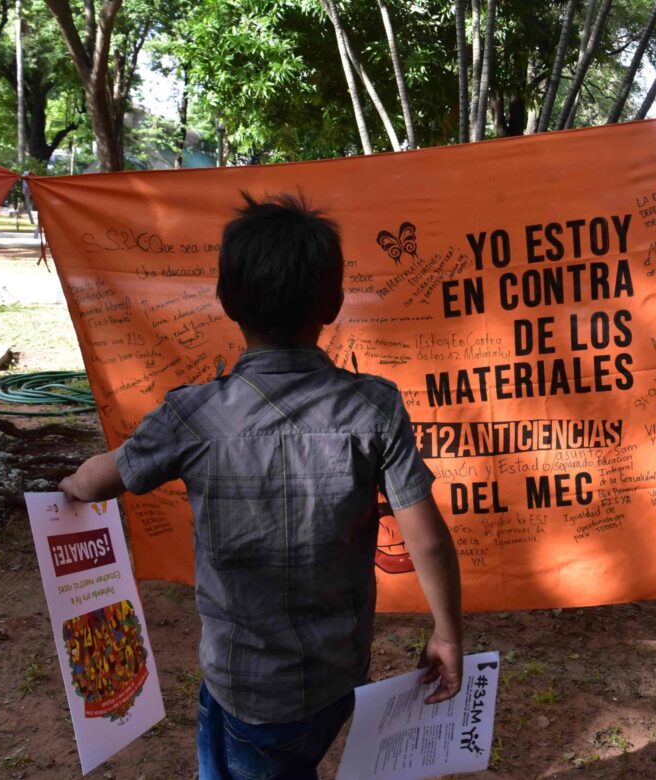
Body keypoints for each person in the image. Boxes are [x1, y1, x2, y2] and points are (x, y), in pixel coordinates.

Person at [59, 194, 464, 779]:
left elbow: (100, 480)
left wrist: (72, 484)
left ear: (227, 301)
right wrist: (448, 634)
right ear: (332, 302)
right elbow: (425, 540)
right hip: (334, 675)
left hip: (241, 676)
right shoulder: (375, 407)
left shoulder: (192, 415)